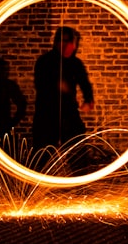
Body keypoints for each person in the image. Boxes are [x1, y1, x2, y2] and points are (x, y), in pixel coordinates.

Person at [31, 26, 95, 172]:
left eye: (72, 42)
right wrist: (59, 86)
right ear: (56, 42)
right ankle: (38, 187)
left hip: (69, 113)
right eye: (65, 41)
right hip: (46, 113)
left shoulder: (75, 63)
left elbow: (84, 83)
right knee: (42, 155)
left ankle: (81, 185)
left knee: (77, 152)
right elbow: (41, 85)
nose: (70, 46)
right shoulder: (45, 61)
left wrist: (88, 99)